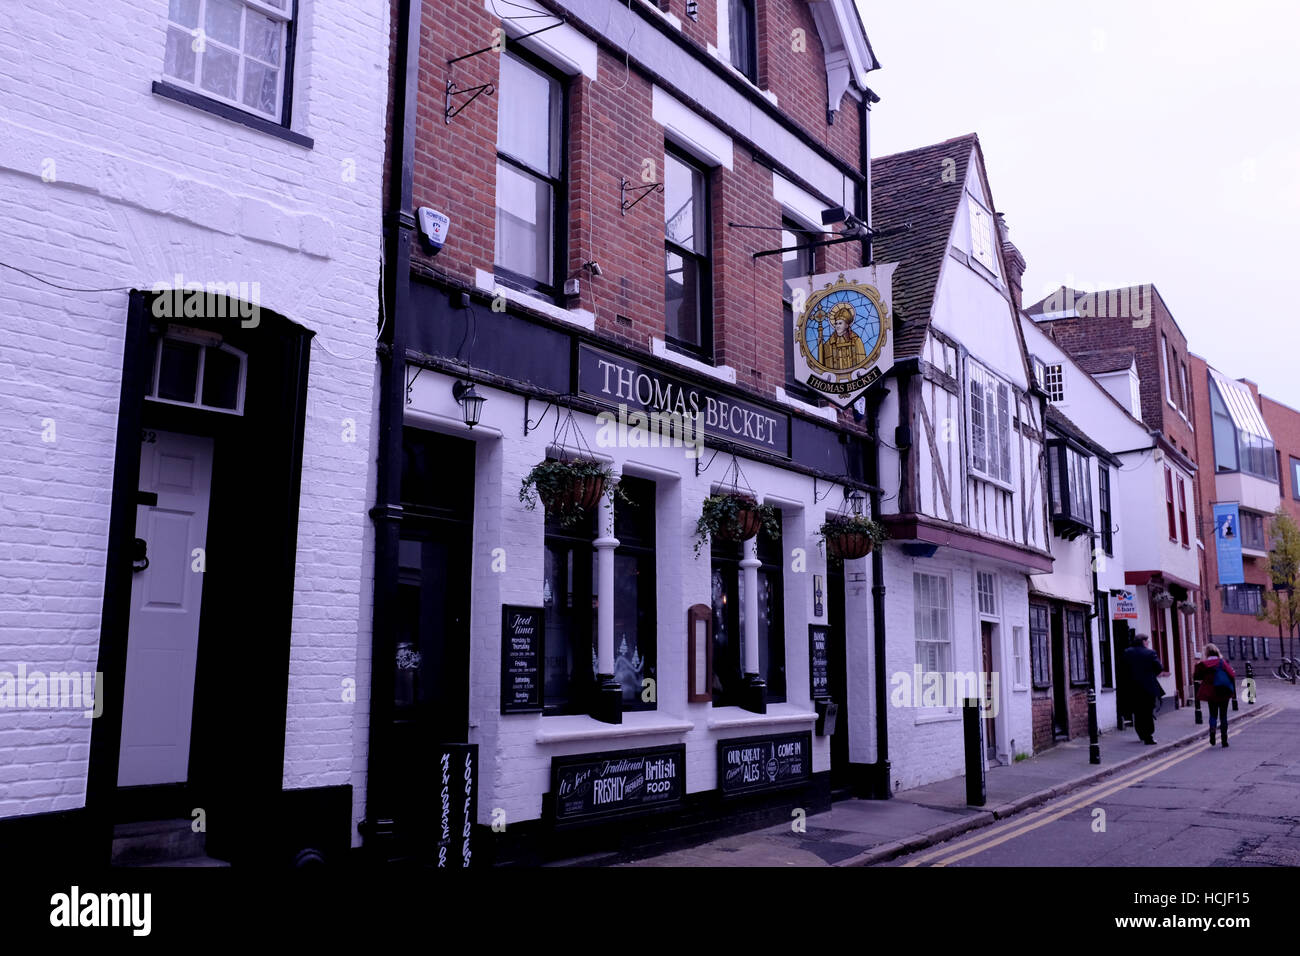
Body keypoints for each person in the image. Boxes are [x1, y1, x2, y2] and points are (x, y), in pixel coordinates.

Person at [1121, 634, 1165, 744]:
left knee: (1137, 712)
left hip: (1133, 688)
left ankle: (1141, 733)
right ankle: (1148, 736)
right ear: (1143, 641)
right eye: (1147, 641)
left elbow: (1123, 669)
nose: (1148, 643)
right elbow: (1159, 668)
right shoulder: (1150, 653)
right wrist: (1151, 674)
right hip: (1148, 688)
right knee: (1147, 711)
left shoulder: (1127, 652)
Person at [1193, 644, 1237, 748]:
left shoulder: (1204, 664)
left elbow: (1196, 677)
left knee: (1213, 714)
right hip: (1223, 692)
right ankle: (1224, 740)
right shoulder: (1222, 662)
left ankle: (1212, 733)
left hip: (1211, 693)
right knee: (1223, 715)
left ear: (1206, 653)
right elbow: (1232, 674)